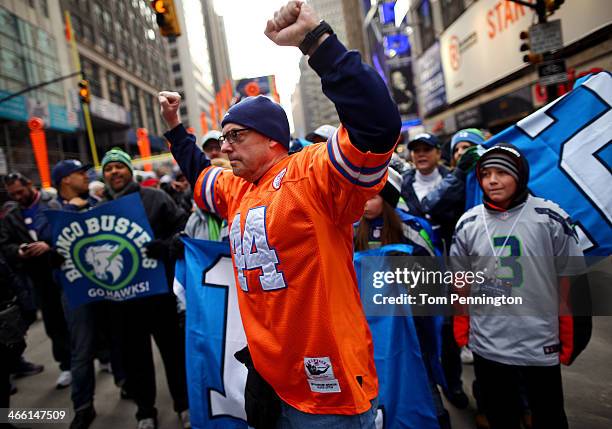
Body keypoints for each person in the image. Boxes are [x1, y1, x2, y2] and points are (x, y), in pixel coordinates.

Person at [159, 1, 401, 427]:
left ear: (272, 139)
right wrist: (175, 128)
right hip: (269, 379)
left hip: (330, 392)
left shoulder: (312, 173)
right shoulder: (238, 189)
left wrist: (317, 43)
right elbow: (200, 174)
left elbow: (377, 126)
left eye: (235, 136)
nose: (226, 147)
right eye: (223, 138)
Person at [451, 143, 591, 429]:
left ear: (520, 176)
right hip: (488, 343)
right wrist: (462, 328)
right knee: (501, 417)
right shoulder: (468, 222)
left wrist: (573, 335)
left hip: (539, 343)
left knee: (549, 417)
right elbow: (460, 282)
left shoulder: (550, 217)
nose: (491, 180)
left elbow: (572, 281)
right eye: (486, 173)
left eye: (501, 172)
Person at [100, 148, 190, 429]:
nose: (114, 172)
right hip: (123, 301)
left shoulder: (156, 198)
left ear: (129, 170)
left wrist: (165, 246)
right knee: (135, 358)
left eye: (119, 166)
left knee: (173, 354)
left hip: (159, 294)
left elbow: (183, 228)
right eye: (108, 169)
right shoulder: (96, 210)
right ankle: (145, 411)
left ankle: (184, 404)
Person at [51, 160, 120, 429]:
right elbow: (49, 243)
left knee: (118, 339)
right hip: (75, 290)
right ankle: (83, 406)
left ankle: (126, 383)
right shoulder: (53, 208)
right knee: (81, 351)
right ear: (65, 180)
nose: (85, 177)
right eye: (80, 174)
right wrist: (71, 211)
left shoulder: (95, 201)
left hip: (108, 284)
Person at [0, 173, 71, 389]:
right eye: (13, 194)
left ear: (30, 185)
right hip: (39, 279)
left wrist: (49, 246)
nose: (18, 197)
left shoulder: (53, 205)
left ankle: (103, 355)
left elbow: (68, 232)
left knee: (79, 317)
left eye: (20, 192)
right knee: (54, 322)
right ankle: (66, 366)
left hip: (65, 271)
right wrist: (19, 251)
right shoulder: (12, 216)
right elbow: (5, 246)